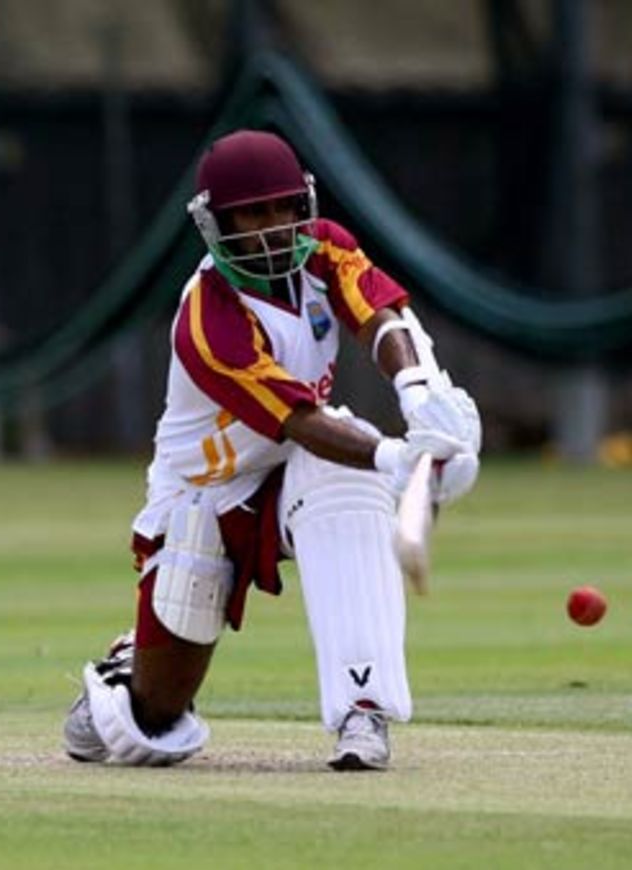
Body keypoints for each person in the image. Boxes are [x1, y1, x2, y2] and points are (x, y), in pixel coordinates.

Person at [62, 129, 481, 770]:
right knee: (156, 723)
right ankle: (127, 683)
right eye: (252, 214)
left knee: (348, 482)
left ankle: (361, 715)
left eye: (283, 208)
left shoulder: (323, 250)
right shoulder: (208, 317)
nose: (272, 227)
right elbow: (296, 418)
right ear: (218, 222)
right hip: (203, 496)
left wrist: (420, 394)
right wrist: (400, 461)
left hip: (291, 471)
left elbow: (382, 315)